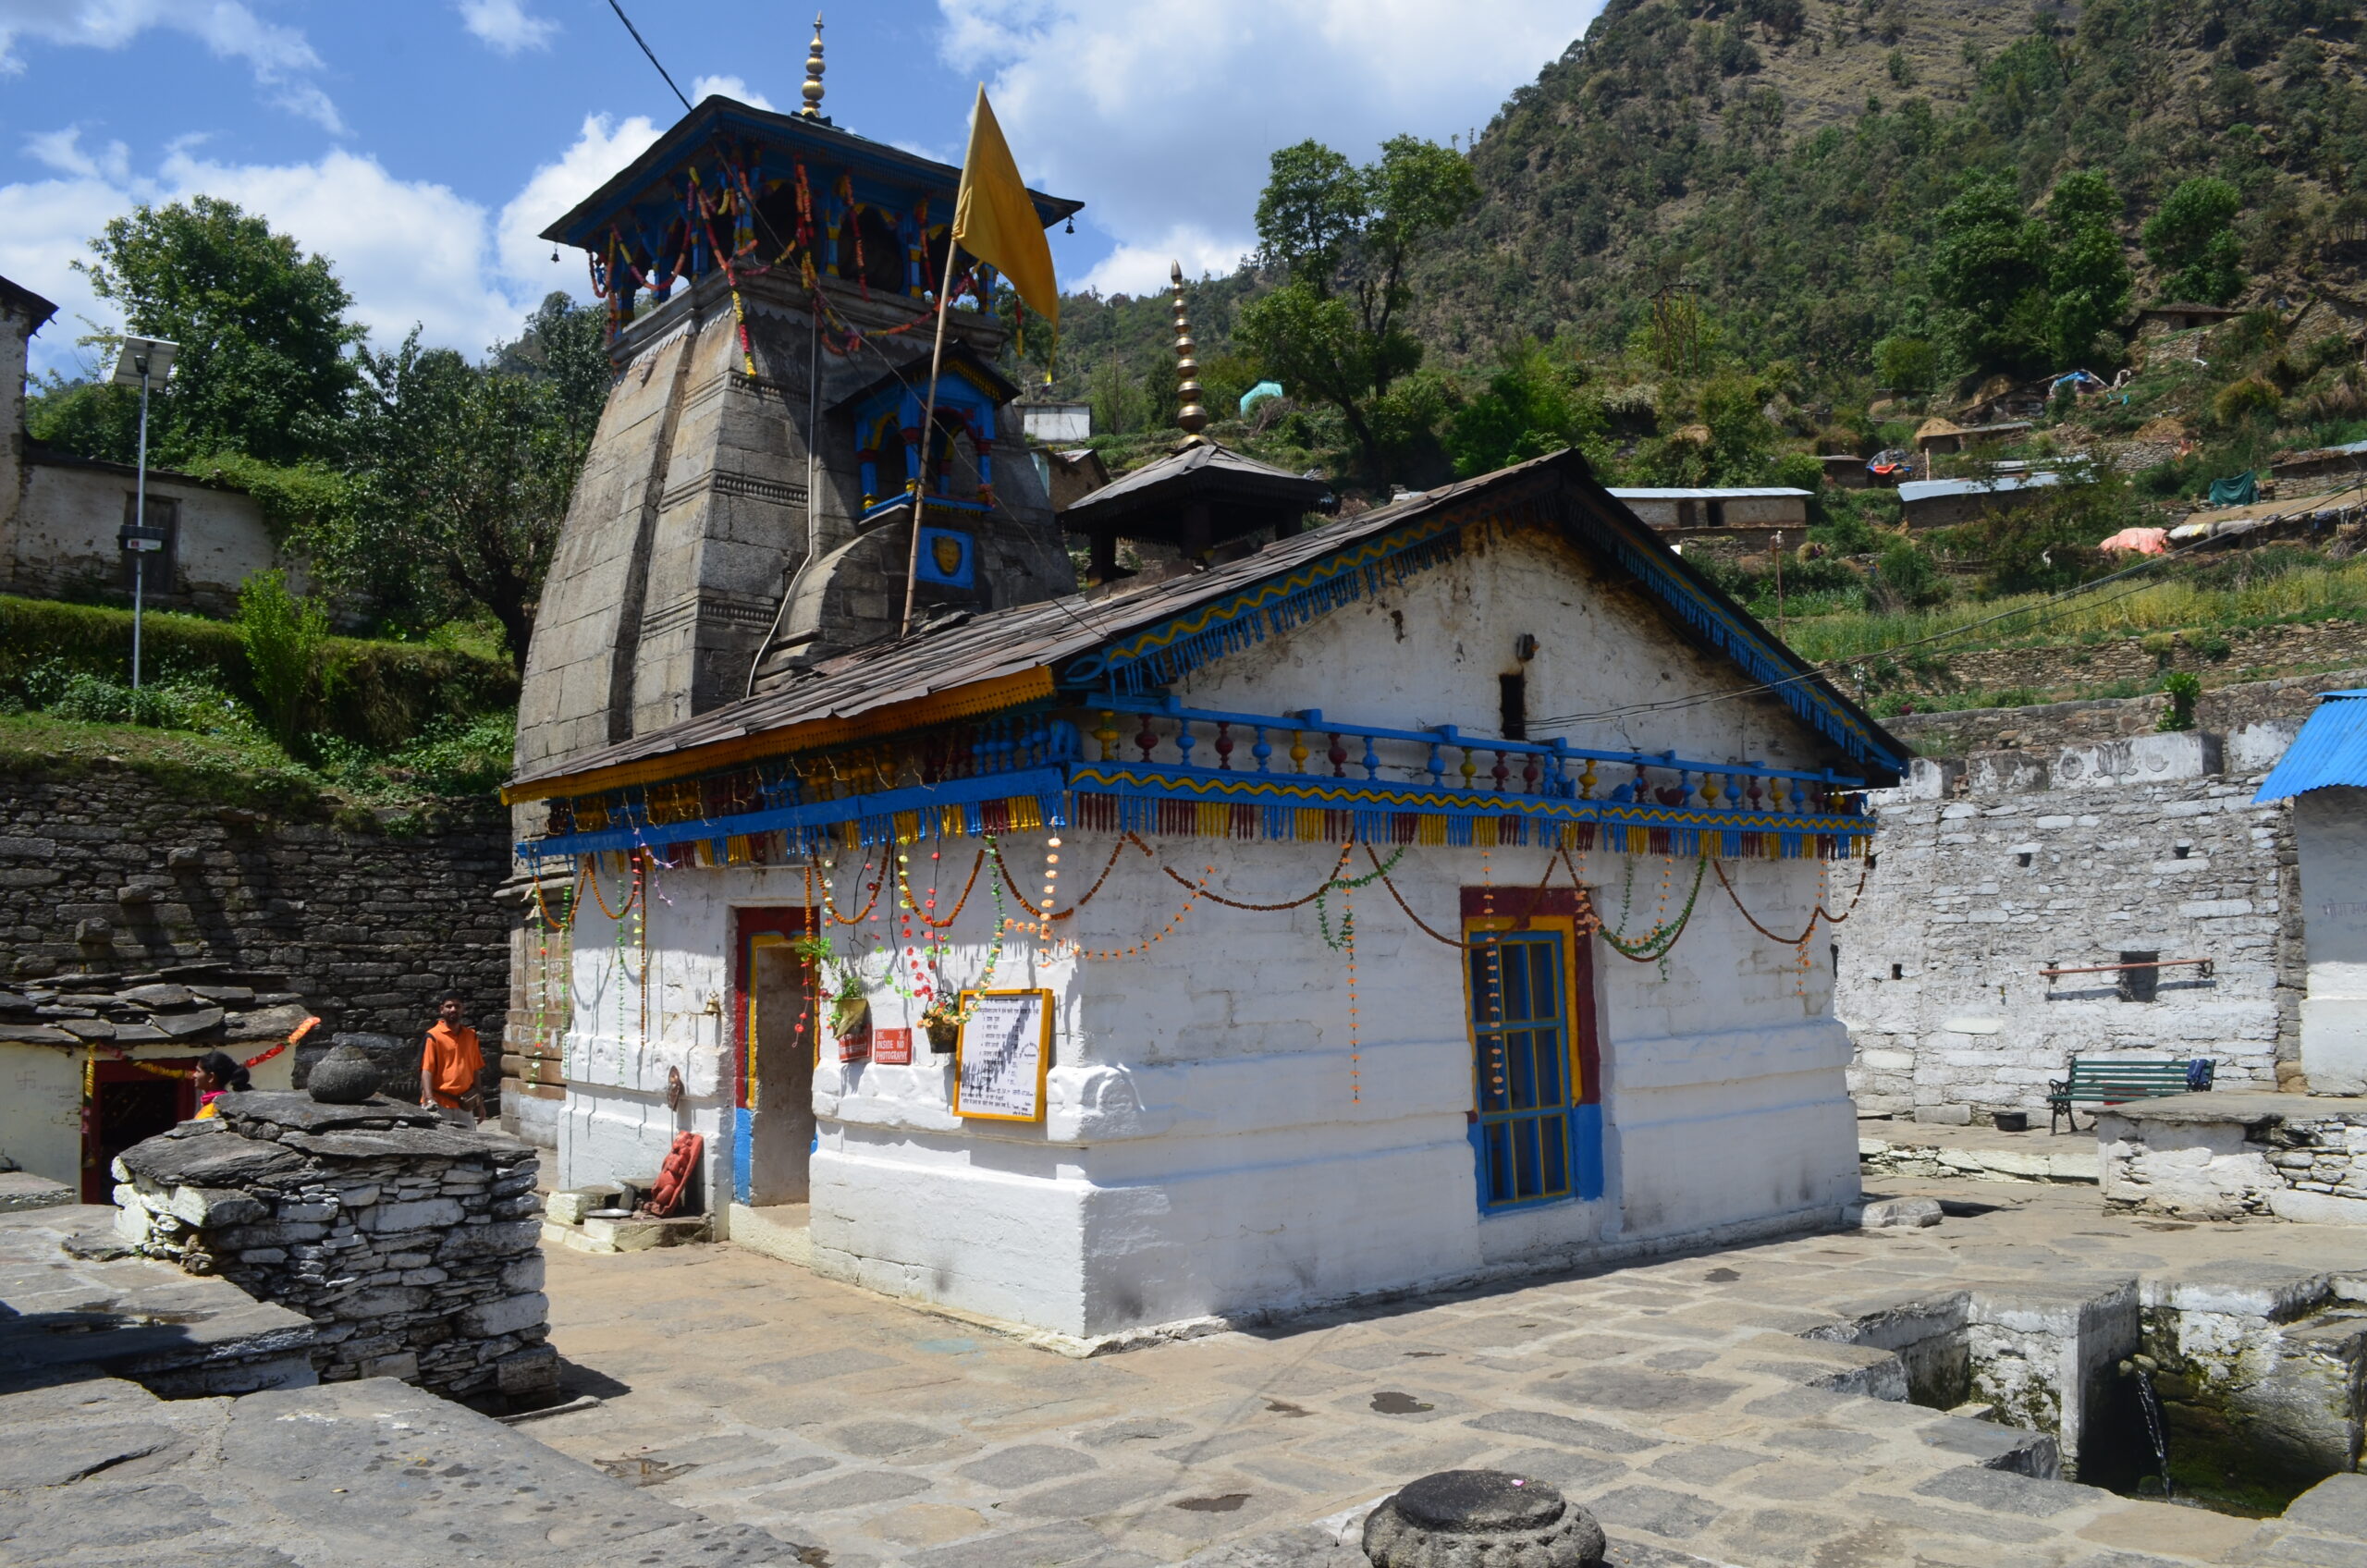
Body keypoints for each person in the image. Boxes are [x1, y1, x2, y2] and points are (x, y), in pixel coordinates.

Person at [420, 992, 485, 1119]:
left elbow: (475, 1070)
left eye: (457, 1006)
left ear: (462, 1009)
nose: (453, 1009)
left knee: (469, 1139)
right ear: (441, 1009)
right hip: (440, 1103)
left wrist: (480, 1102)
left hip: (465, 1103)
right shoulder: (433, 1036)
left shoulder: (471, 1036)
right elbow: (426, 1070)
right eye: (449, 1006)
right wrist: (429, 1099)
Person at [192, 1050, 250, 1119]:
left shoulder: (217, 1107)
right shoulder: (214, 1104)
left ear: (211, 1077)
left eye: (198, 1071)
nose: (194, 1075)